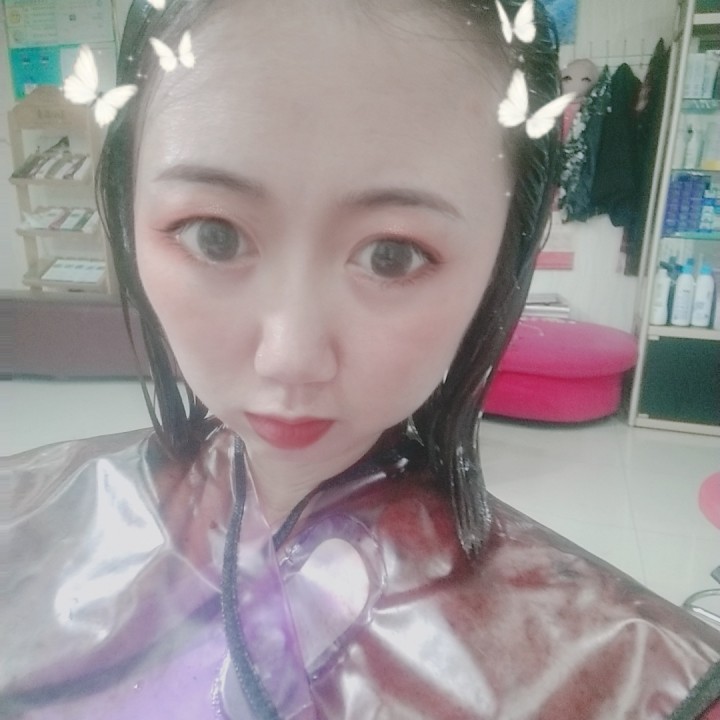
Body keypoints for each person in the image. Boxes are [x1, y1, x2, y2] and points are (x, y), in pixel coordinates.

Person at [2, 0, 719, 718]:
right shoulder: (24, 523)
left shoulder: (635, 681)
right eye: (214, 236)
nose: (290, 358)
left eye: (392, 255)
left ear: (507, 253)